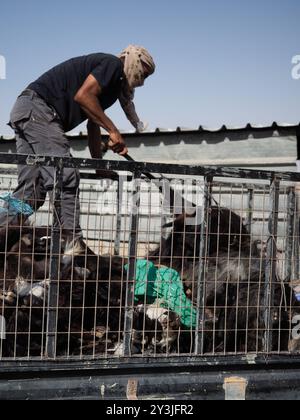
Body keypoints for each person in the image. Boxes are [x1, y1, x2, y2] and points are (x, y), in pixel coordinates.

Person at [7, 45, 155, 238]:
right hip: (39, 110)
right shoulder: (113, 66)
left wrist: (98, 165)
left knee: (31, 190)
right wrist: (113, 130)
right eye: (144, 72)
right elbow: (83, 96)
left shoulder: (111, 86)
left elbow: (93, 123)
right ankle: (71, 247)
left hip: (25, 110)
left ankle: (3, 238)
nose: (143, 79)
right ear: (135, 61)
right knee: (65, 174)